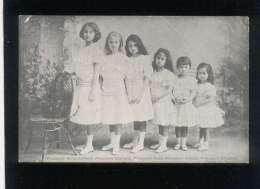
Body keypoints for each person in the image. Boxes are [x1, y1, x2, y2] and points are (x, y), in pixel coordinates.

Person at [67, 22, 103, 154]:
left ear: (95, 34)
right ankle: (87, 143)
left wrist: (94, 90)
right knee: (83, 115)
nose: (88, 34)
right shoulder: (81, 50)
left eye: (91, 32)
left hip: (90, 87)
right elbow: (78, 69)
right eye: (86, 32)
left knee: (90, 117)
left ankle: (89, 145)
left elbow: (96, 73)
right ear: (82, 34)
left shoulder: (96, 51)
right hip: (80, 87)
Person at [100, 32, 134, 155]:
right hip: (107, 92)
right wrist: (99, 90)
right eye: (111, 42)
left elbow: (127, 79)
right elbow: (100, 77)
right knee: (110, 118)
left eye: (116, 42)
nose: (113, 44)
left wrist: (129, 94)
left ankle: (116, 144)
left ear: (120, 44)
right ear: (107, 43)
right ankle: (112, 142)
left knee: (118, 118)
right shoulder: (104, 59)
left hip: (119, 92)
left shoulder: (124, 59)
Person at [123, 34, 154, 153]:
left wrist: (140, 95)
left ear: (139, 45)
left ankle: (140, 143)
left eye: (135, 45)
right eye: (130, 46)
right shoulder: (128, 60)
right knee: (135, 116)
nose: (132, 48)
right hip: (131, 90)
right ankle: (135, 141)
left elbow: (147, 78)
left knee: (142, 117)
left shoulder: (144, 59)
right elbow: (126, 78)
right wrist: (129, 94)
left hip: (142, 91)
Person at [149, 48, 177, 153]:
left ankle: (164, 145)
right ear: (155, 59)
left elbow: (169, 90)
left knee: (164, 123)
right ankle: (161, 143)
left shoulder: (168, 74)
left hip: (164, 102)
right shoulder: (153, 73)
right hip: (156, 103)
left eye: (162, 59)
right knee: (160, 123)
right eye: (158, 58)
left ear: (166, 61)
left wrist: (159, 96)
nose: (159, 60)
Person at [194, 62, 225, 151]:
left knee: (205, 127)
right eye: (200, 73)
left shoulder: (210, 86)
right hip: (199, 108)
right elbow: (195, 95)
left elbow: (210, 99)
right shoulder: (197, 85)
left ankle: (206, 143)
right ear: (197, 74)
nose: (202, 75)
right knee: (201, 126)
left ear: (209, 74)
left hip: (206, 109)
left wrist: (200, 103)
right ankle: (201, 141)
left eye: (204, 73)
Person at [173, 56, 198, 151]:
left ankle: (183, 144)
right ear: (177, 68)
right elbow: (171, 92)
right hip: (177, 105)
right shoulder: (175, 79)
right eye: (180, 67)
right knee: (177, 124)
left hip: (186, 105)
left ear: (189, 68)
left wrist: (188, 99)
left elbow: (193, 92)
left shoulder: (191, 80)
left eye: (185, 67)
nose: (183, 69)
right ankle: (178, 143)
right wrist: (175, 98)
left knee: (184, 125)